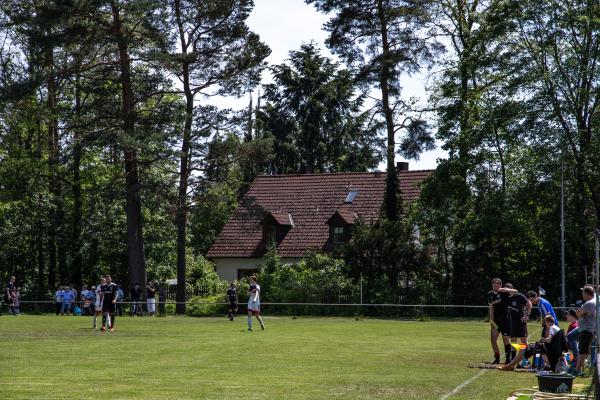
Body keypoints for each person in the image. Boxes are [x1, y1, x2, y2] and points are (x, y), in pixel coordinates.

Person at [498, 283, 532, 371]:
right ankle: (513, 362)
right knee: (513, 341)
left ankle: (524, 361)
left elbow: (529, 304)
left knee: (524, 342)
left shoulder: (519, 296)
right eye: (506, 289)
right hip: (511, 322)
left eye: (508, 289)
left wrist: (527, 315)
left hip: (521, 322)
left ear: (512, 289)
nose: (507, 291)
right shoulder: (505, 298)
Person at [488, 277, 511, 364]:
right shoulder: (490, 294)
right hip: (496, 320)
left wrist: (504, 289)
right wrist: (491, 318)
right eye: (494, 284)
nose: (495, 286)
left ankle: (508, 359)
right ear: (492, 285)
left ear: (500, 285)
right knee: (493, 340)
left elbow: (515, 292)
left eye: (497, 284)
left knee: (505, 339)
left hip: (505, 319)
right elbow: (491, 307)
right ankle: (497, 358)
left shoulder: (504, 292)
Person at [574, 285, 596, 376]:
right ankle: (580, 369)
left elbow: (578, 313)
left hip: (586, 329)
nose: (582, 294)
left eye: (583, 292)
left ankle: (577, 370)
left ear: (586, 293)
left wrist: (580, 312)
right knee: (585, 350)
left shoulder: (589, 303)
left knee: (582, 350)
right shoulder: (594, 301)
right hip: (589, 329)